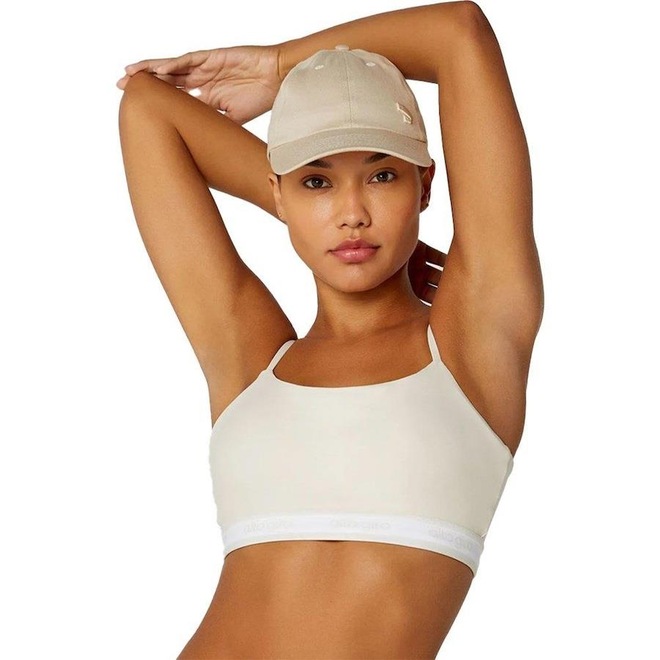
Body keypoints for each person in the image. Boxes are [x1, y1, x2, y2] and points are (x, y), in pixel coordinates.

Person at [117, 1, 543, 657]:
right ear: (278, 192)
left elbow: (458, 30)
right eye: (317, 182)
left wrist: (280, 67)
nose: (352, 213)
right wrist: (307, 211)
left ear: (425, 186)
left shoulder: (476, 338)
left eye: (382, 176)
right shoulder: (252, 361)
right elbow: (146, 107)